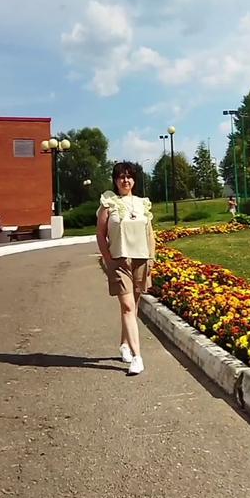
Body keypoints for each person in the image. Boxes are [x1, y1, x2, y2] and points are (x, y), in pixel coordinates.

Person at [96, 161, 156, 376]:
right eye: (121, 176)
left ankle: (124, 344)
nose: (125, 180)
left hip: (141, 259)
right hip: (119, 261)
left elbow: (150, 233)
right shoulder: (108, 204)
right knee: (128, 307)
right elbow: (100, 234)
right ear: (115, 180)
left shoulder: (142, 204)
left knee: (133, 306)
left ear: (134, 180)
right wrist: (108, 259)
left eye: (129, 176)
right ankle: (137, 358)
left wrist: (151, 259)